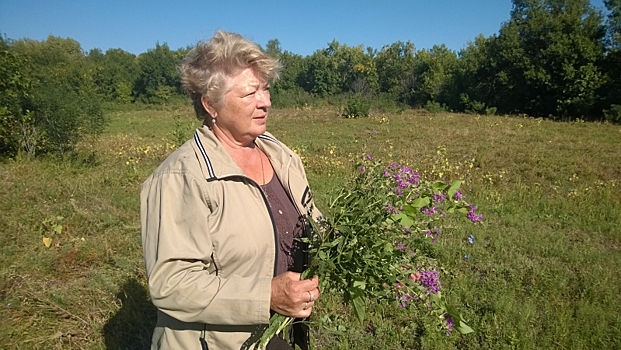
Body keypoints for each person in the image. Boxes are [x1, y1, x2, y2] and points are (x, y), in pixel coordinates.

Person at [140, 30, 322, 349]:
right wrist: (267, 295)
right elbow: (171, 284)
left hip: (279, 336)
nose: (265, 102)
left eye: (265, 89)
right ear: (211, 104)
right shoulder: (182, 176)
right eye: (250, 93)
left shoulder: (282, 157)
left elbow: (314, 225)